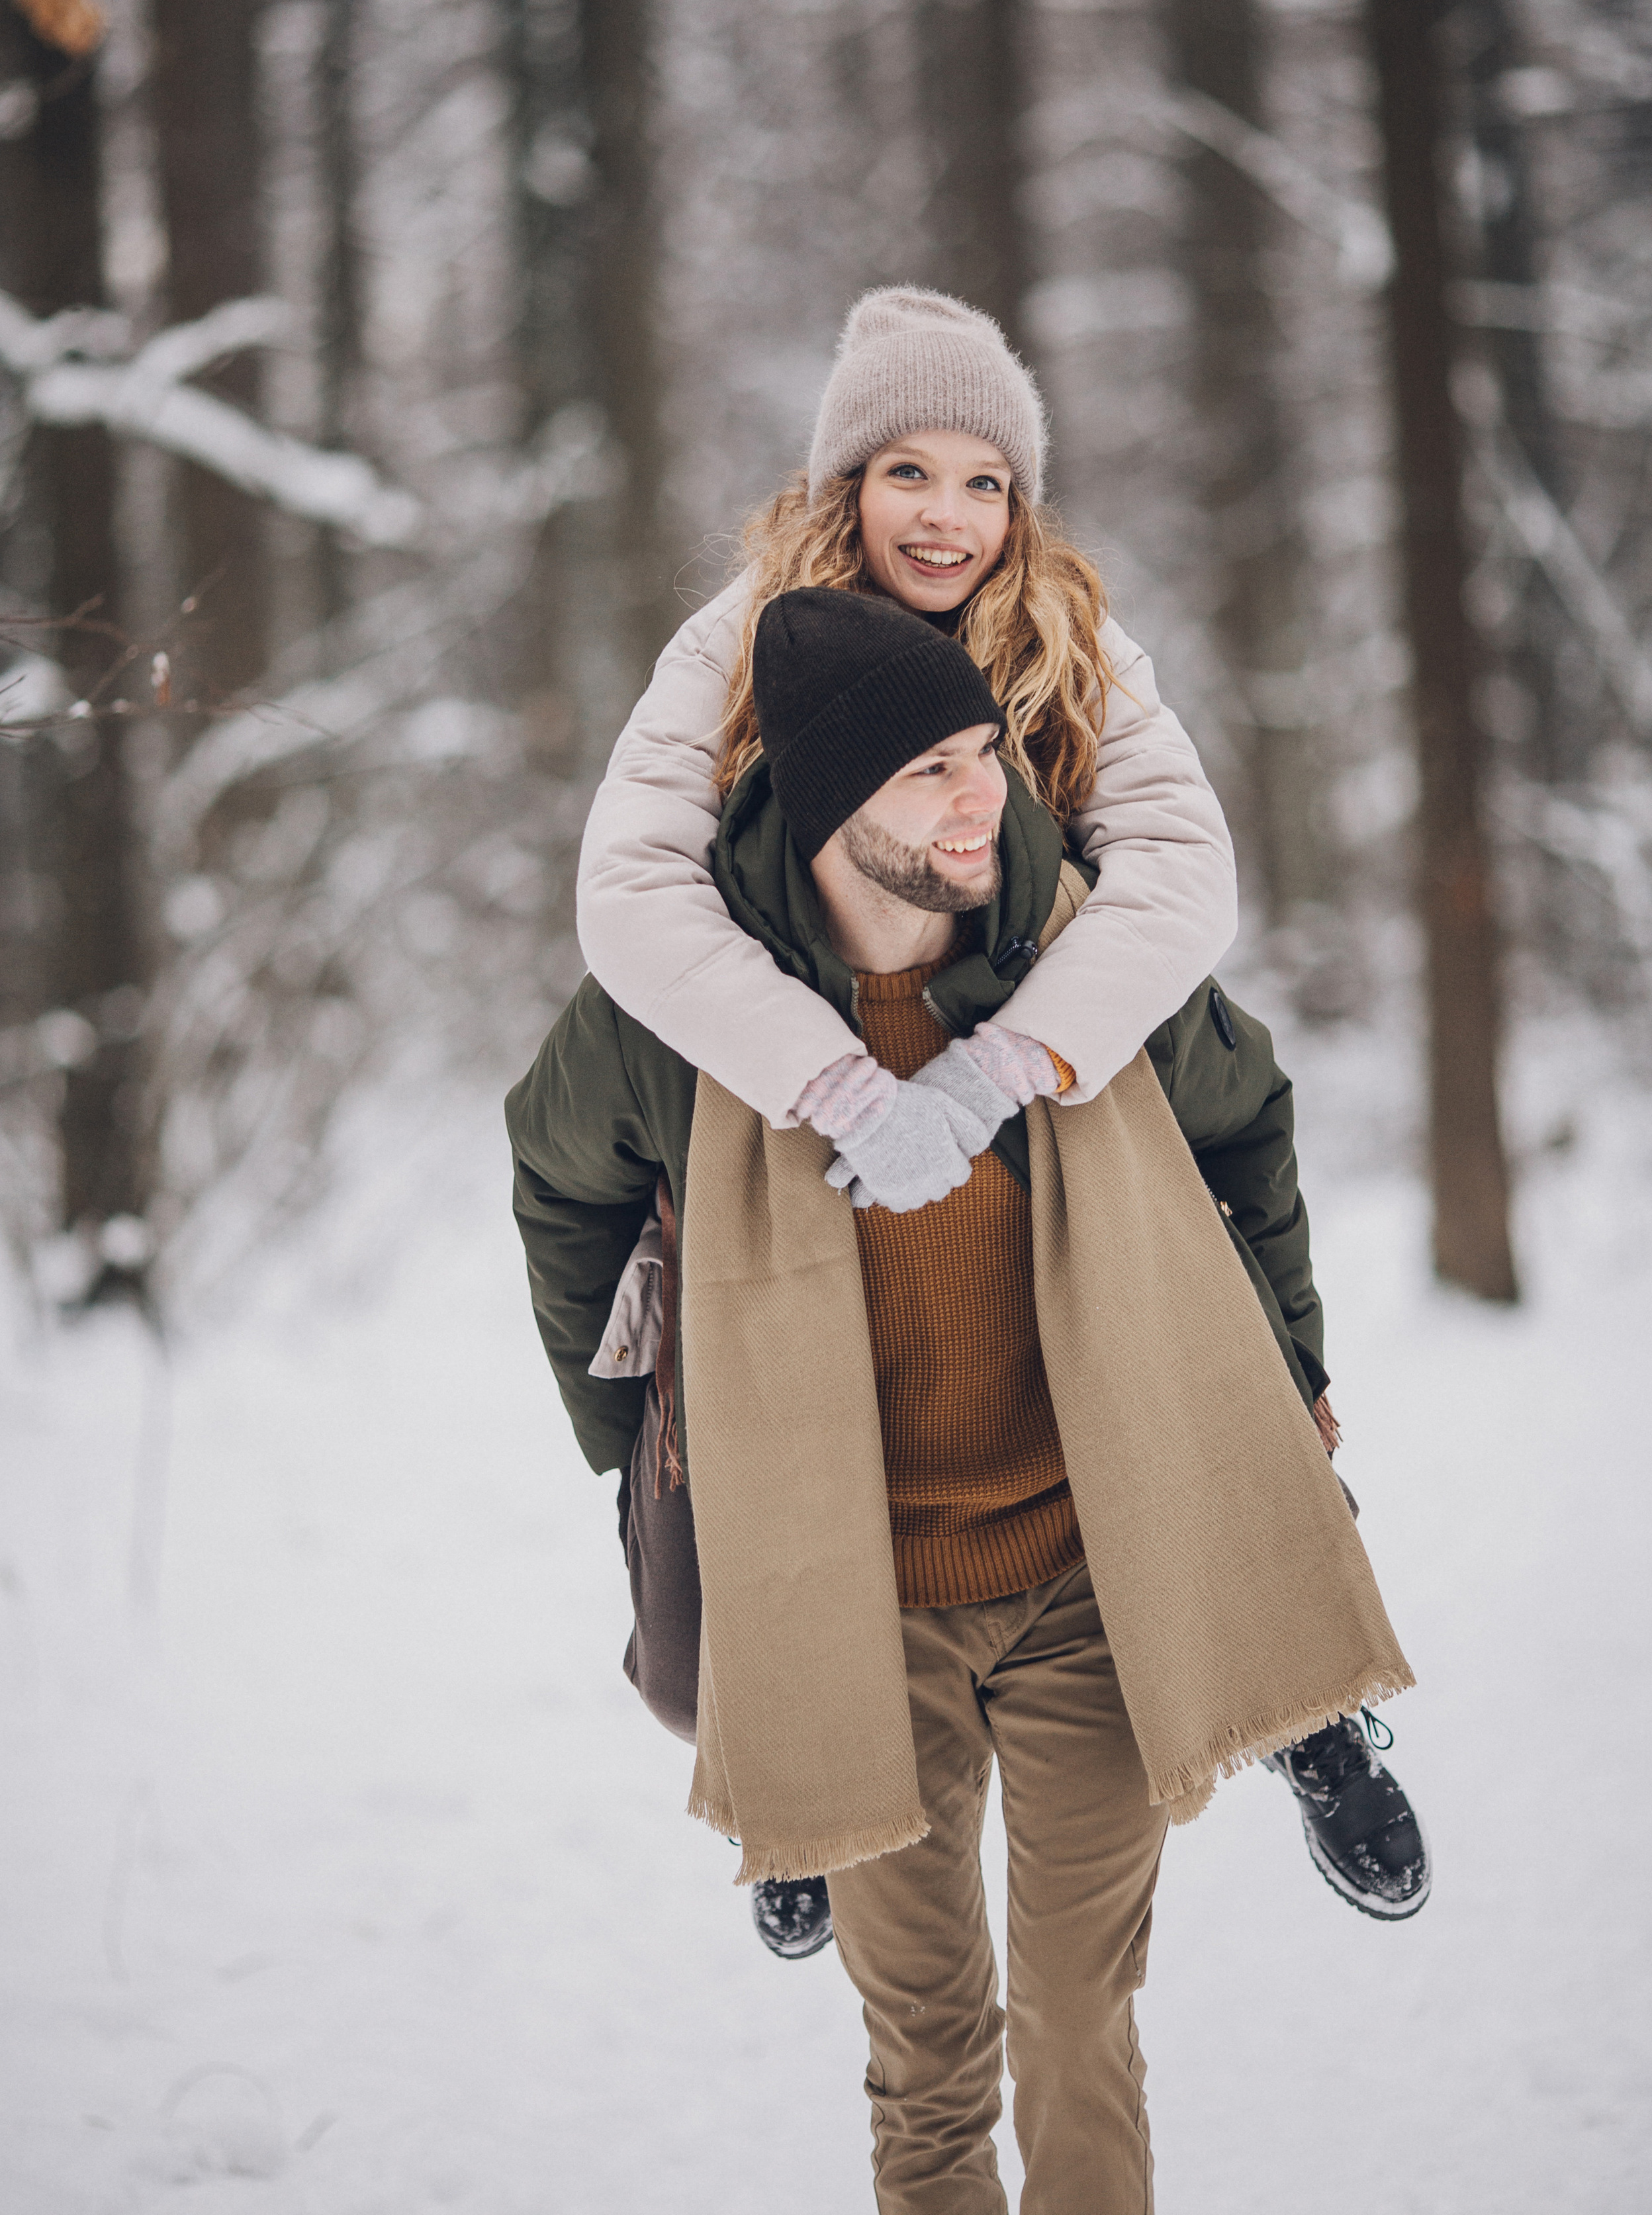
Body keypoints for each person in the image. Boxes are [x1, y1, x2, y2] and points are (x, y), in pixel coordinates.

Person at [508, 589, 1420, 2210]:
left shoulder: (1072, 965)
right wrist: (636, 1441)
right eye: (928, 771)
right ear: (825, 810)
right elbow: (557, 1179)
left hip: (1081, 1582)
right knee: (925, 2057)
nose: (980, 796)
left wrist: (1291, 1371)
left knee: (1078, 2024)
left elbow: (1244, 1117)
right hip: (850, 1605)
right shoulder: (679, 1019)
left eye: (983, 753)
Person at [568, 285, 1428, 1947]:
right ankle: (798, 1777)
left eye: (984, 481)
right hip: (800, 1063)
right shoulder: (735, 640)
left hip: (1046, 1045)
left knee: (1195, 1311)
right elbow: (627, 888)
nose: (945, 517)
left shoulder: (1073, 635)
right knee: (770, 1413)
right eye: (907, 471)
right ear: (843, 484)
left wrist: (1005, 1064)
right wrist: (823, 1072)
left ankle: (1308, 1707)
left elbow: (1180, 869)